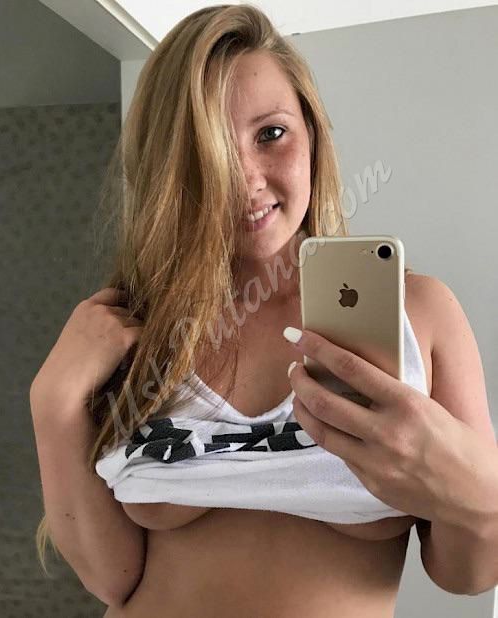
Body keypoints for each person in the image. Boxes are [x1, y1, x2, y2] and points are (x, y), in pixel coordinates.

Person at [30, 4, 497, 617]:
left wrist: (476, 494)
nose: (245, 179)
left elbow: (466, 575)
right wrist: (53, 404)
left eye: (271, 134)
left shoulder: (420, 315)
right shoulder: (133, 325)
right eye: (203, 150)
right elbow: (111, 580)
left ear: (313, 134)